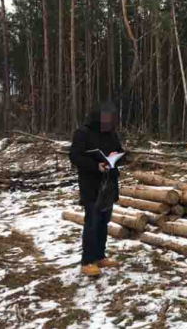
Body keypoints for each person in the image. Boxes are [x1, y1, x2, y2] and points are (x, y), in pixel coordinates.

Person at [69, 100, 125, 277]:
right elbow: (75, 156)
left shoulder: (111, 133)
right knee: (92, 222)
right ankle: (87, 261)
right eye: (106, 117)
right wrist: (96, 166)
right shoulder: (82, 133)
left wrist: (116, 158)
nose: (109, 121)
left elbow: (119, 152)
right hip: (91, 184)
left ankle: (100, 256)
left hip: (109, 183)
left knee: (103, 221)